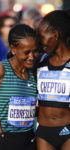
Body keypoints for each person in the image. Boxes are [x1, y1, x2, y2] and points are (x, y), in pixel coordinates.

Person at [36, 9, 70, 150]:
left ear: (55, 35)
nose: (39, 42)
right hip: (44, 132)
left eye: (41, 37)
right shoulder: (39, 61)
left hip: (68, 130)